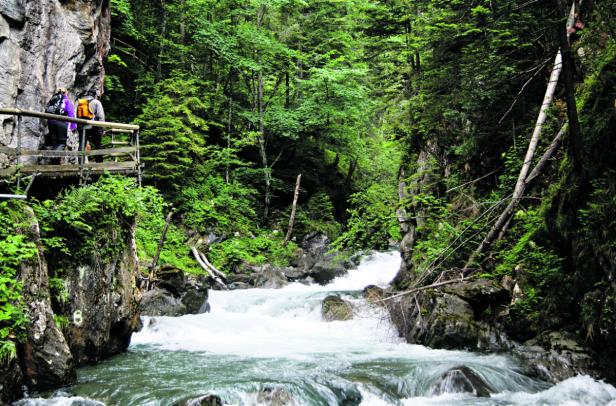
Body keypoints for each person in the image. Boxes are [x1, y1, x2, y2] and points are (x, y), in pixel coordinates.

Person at [45, 87, 76, 163]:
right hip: (61, 123)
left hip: (50, 122)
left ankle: (53, 162)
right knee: (62, 142)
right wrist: (73, 126)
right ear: (65, 93)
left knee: (55, 142)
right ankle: (53, 157)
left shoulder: (52, 100)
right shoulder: (66, 101)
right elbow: (71, 114)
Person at [77, 88, 105, 163]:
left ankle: (80, 164)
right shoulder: (96, 102)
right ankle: (99, 164)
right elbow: (101, 116)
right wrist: (102, 129)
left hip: (82, 127)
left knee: (81, 145)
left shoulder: (81, 102)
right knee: (97, 144)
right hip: (94, 126)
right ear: (95, 95)